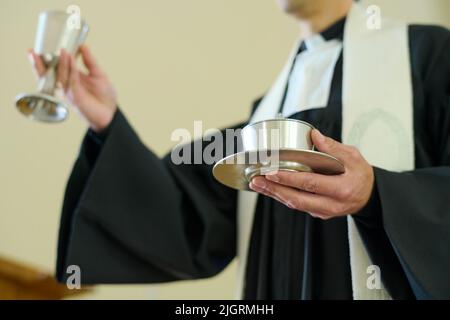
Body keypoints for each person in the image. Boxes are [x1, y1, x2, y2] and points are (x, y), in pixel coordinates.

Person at [29, 0, 450, 299]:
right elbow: (188, 209)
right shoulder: (268, 110)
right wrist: (107, 121)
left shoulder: (429, 57)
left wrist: (379, 194)